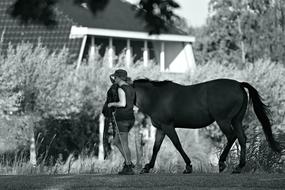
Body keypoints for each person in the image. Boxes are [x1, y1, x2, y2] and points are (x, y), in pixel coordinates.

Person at [107, 69, 135, 175]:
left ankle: (128, 167)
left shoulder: (121, 89)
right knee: (116, 142)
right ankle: (129, 162)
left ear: (119, 78)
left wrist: (112, 104)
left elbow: (122, 103)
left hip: (123, 119)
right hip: (130, 118)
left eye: (115, 77)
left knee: (124, 144)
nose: (114, 79)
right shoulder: (131, 89)